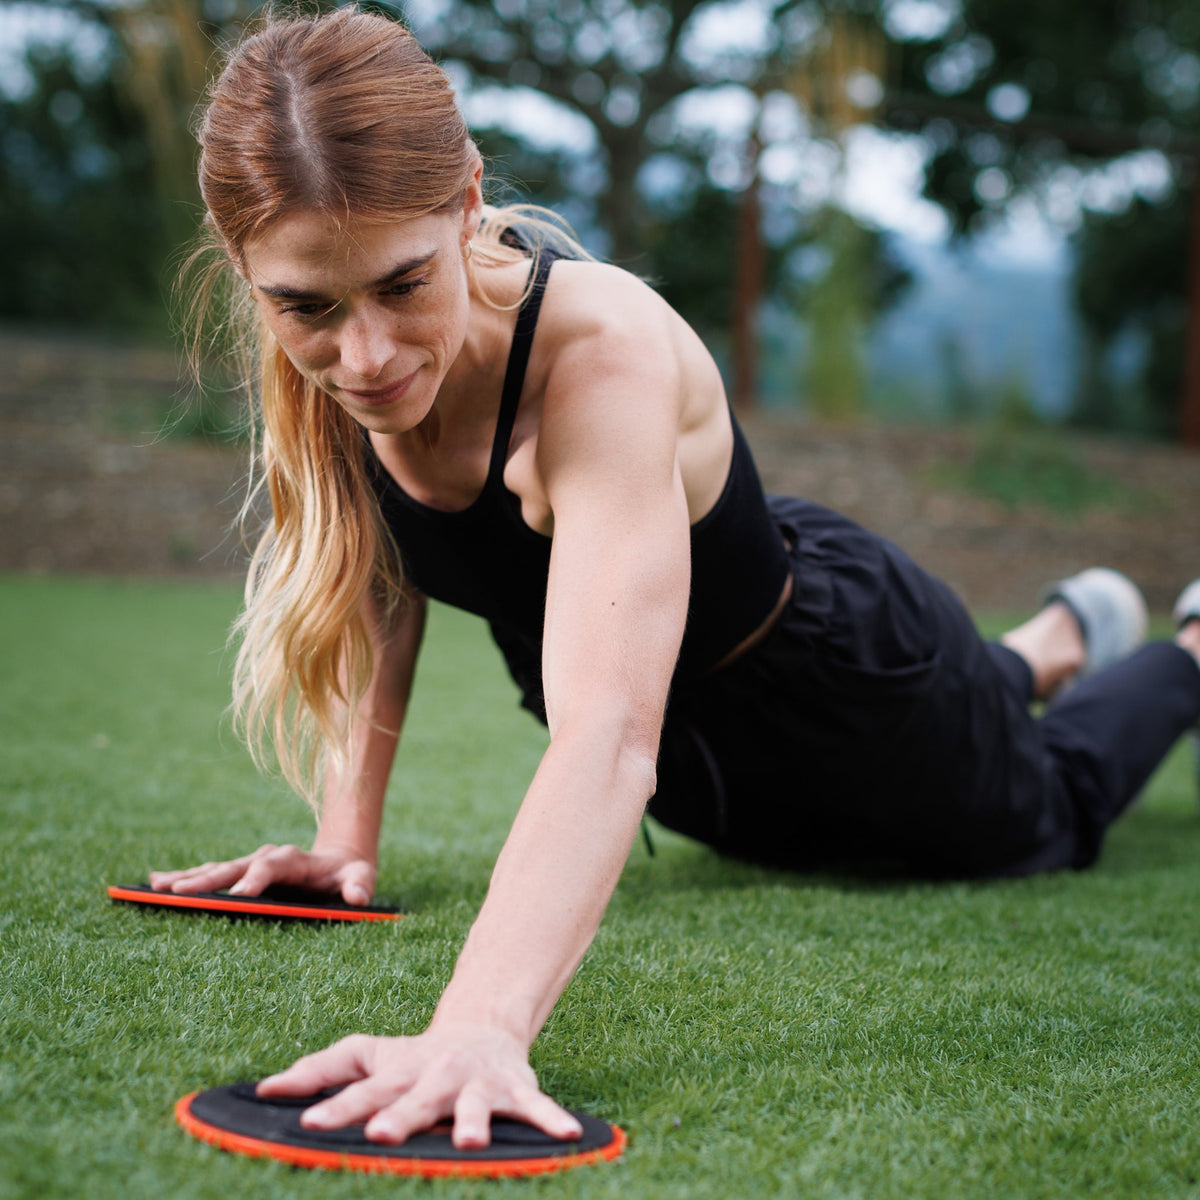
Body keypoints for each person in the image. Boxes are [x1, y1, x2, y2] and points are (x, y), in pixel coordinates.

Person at [149, 6, 1200, 1153]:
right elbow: (381, 574)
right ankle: (1046, 643)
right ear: (248, 266)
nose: (366, 353)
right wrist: (347, 836)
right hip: (698, 783)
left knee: (1054, 807)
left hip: (846, 693)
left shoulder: (600, 354)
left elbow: (605, 733)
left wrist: (478, 1029)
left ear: (463, 206)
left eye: (404, 285)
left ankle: (1176, 651)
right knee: (973, 740)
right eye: (307, 306)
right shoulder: (335, 351)